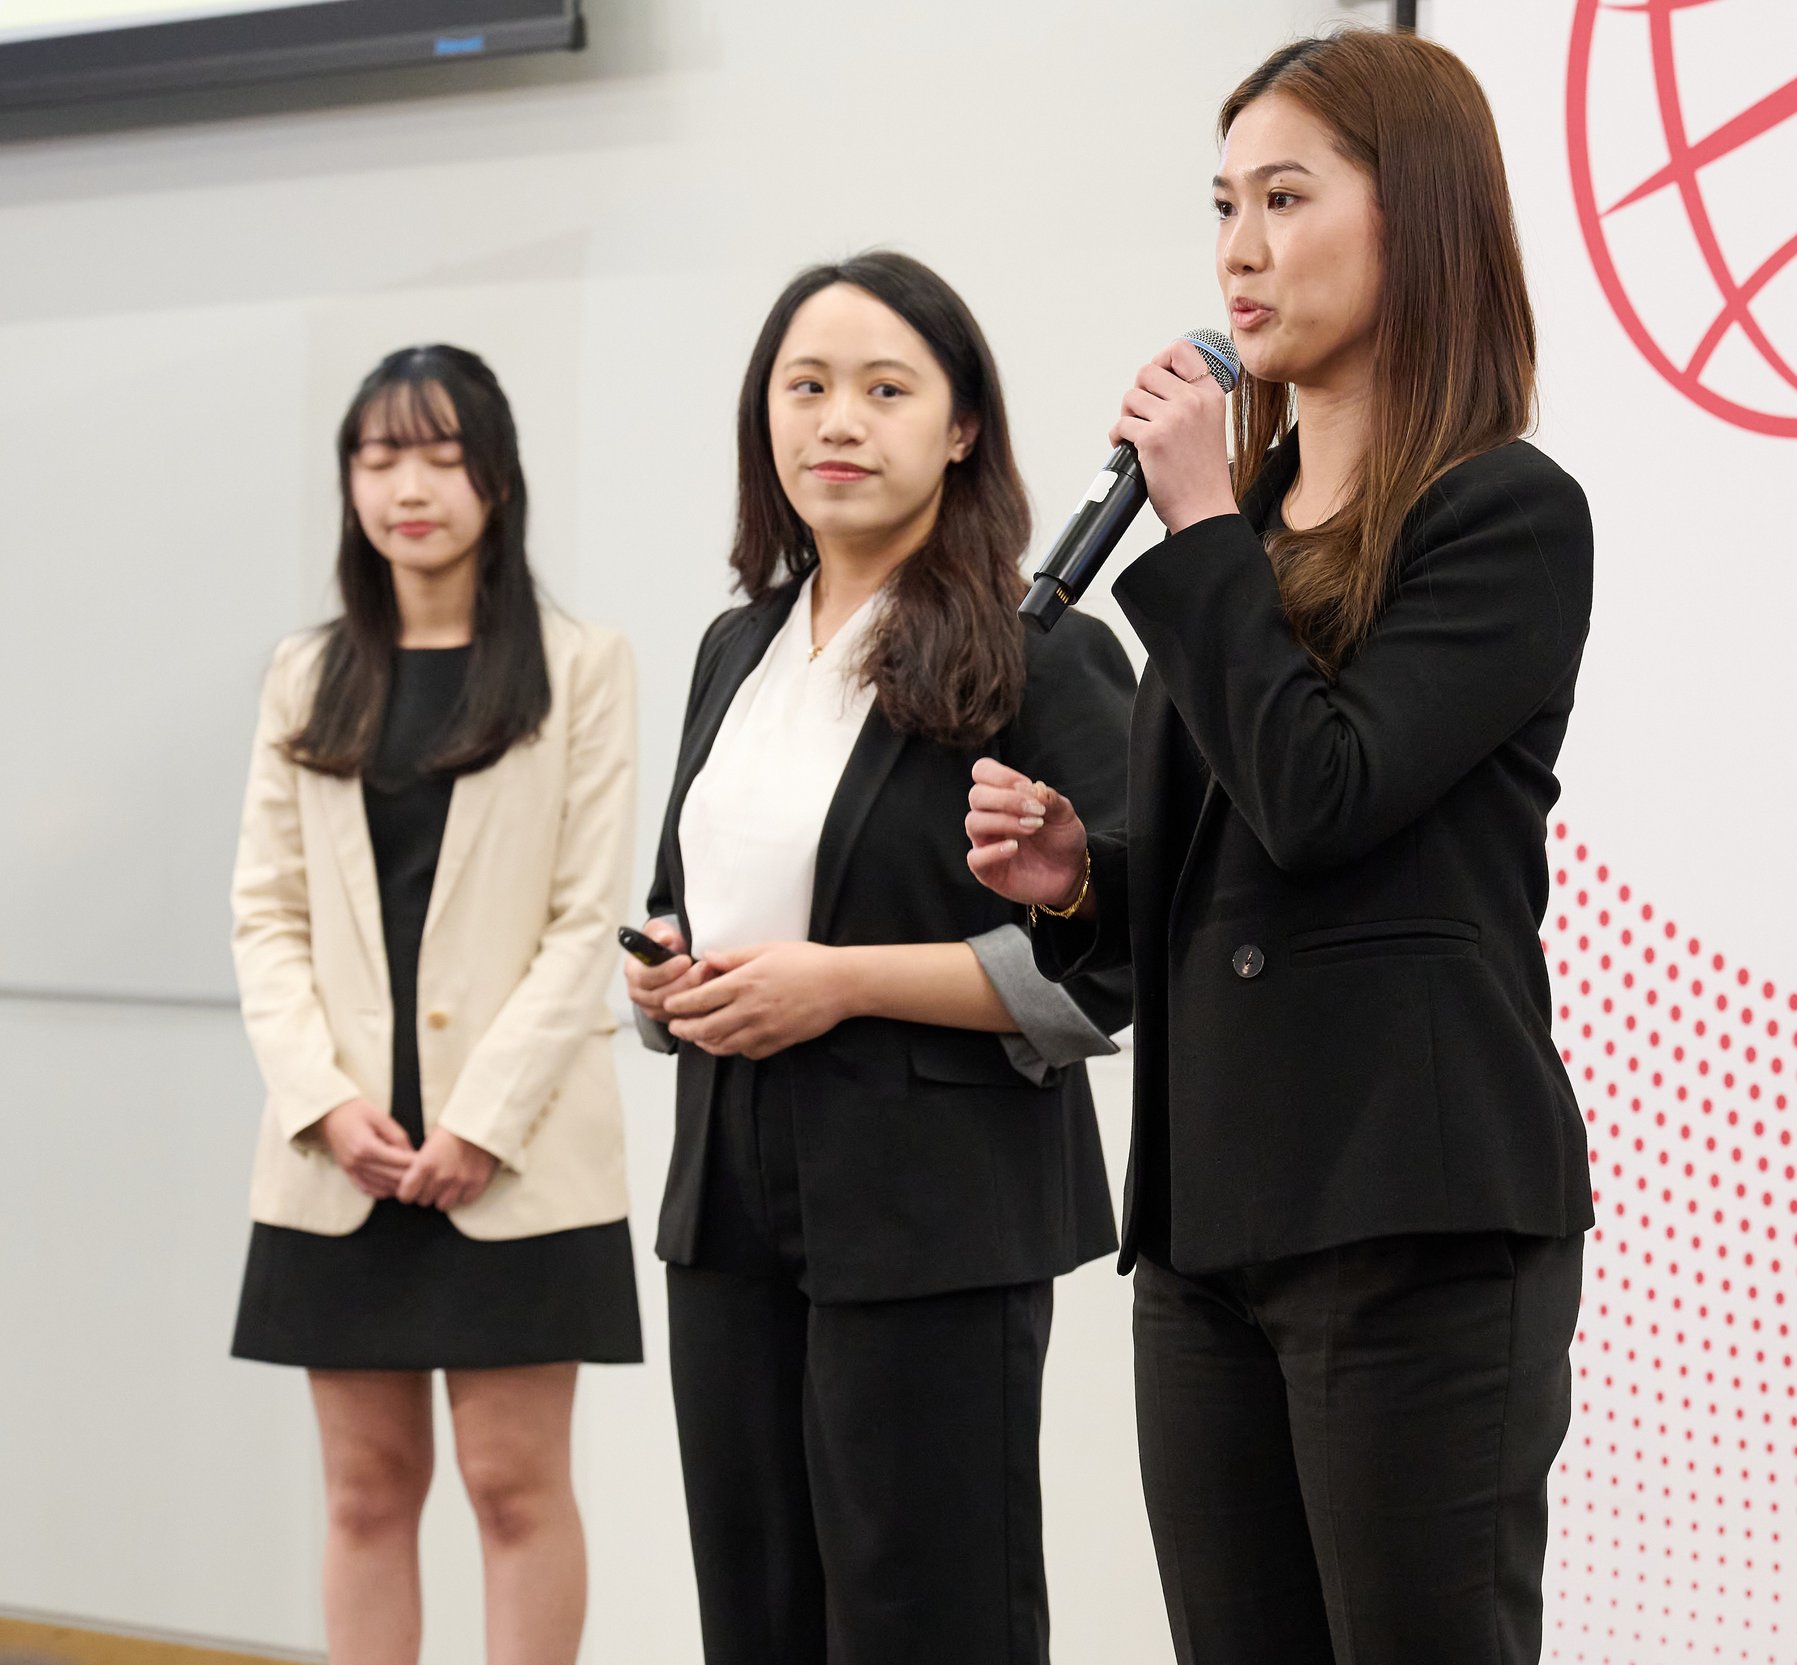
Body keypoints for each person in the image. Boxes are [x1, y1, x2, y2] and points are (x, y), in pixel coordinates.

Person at [966, 30, 1595, 1665]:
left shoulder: (1503, 515)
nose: (1239, 251)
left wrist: (1194, 527)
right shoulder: (1239, 541)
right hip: (1208, 1230)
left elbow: (1327, 793)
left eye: (1287, 198)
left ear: (1419, 214)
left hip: (1413, 1217)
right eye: (1224, 204)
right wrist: (1085, 876)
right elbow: (1235, 861)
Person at [623, 252, 1134, 1665]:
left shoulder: (1043, 653)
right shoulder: (737, 646)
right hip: (729, 1194)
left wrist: (840, 980)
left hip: (933, 1208)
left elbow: (1109, 962)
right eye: (805, 387)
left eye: (884, 389)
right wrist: (662, 972)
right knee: (757, 1615)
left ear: (962, 426)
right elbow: (683, 895)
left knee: (929, 1618)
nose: (837, 420)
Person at [229, 345, 642, 1665]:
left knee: (513, 1488)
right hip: (340, 1154)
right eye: (379, 456)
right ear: (350, 480)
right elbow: (267, 916)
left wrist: (483, 1122)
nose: (408, 486)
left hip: (516, 1156)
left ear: (497, 477)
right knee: (364, 1493)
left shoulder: (581, 666)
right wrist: (322, 1102)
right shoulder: (306, 673)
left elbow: (583, 921)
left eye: (441, 454)